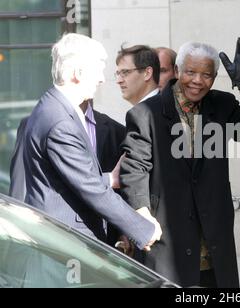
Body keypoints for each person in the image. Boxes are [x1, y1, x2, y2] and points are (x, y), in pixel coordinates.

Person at [120, 38, 240, 287]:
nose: (198, 81)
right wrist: (141, 214)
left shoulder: (221, 105)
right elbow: (135, 167)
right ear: (178, 71)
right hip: (167, 239)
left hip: (212, 240)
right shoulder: (146, 113)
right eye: (191, 72)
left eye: (207, 75)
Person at [22, 33, 161, 255]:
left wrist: (110, 178)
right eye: (97, 70)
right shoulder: (59, 121)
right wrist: (143, 229)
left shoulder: (58, 109)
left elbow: (76, 179)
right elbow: (90, 189)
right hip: (62, 246)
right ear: (78, 73)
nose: (102, 79)